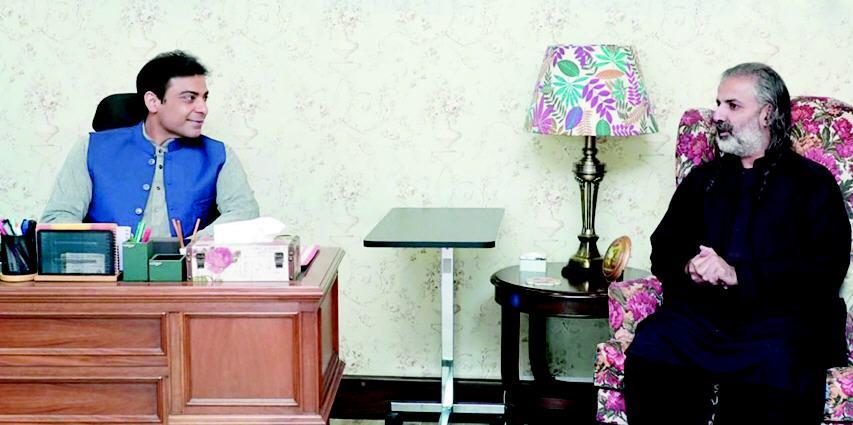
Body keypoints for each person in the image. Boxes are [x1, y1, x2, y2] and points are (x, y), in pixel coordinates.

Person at [623, 63, 851, 424]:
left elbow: (826, 268)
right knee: (655, 343)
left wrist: (738, 275)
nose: (717, 115)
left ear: (767, 115)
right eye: (718, 104)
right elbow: (664, 245)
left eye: (732, 105)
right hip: (705, 319)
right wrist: (689, 266)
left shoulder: (812, 183)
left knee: (779, 364)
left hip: (781, 322)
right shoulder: (703, 179)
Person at [42, 50, 259, 237]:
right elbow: (58, 217)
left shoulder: (219, 154)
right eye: (190, 98)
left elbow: (245, 213)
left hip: (185, 271)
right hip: (108, 271)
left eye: (204, 98)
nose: (203, 108)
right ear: (153, 102)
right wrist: (104, 249)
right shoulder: (90, 149)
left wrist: (195, 245)